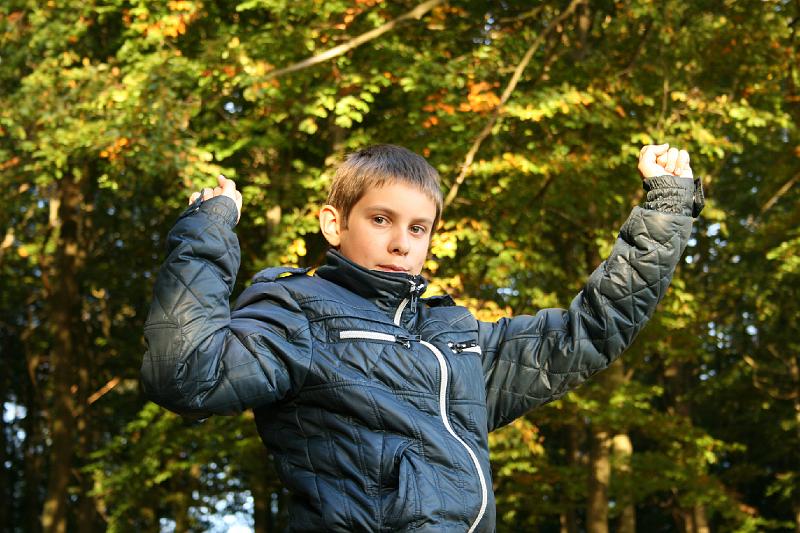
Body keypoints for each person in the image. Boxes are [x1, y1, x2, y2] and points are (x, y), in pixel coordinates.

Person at [142, 143, 703, 532]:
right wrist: (208, 231)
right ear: (334, 223)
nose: (401, 243)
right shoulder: (296, 311)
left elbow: (592, 329)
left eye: (418, 228)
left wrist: (667, 207)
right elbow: (187, 373)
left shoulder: (453, 337)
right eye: (381, 219)